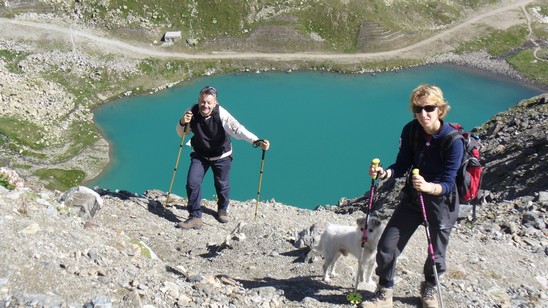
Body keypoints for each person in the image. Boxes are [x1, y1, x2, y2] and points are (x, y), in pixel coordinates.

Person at [361, 84, 463, 308]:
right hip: (413, 198)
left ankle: (429, 288)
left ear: (440, 110)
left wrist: (428, 187)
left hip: (441, 204)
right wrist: (385, 173)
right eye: (418, 109)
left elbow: (448, 183)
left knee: (436, 254)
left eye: (429, 108)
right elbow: (402, 164)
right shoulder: (411, 130)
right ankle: (384, 293)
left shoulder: (454, 141)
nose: (423, 114)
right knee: (387, 246)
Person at [175, 86, 270, 230]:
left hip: (221, 155)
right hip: (200, 154)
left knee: (222, 184)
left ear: (215, 103)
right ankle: (195, 216)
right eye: (202, 102)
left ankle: (222, 209)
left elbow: (238, 129)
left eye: (209, 102)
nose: (205, 105)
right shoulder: (191, 112)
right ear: (198, 101)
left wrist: (256, 141)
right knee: (192, 183)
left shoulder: (222, 114)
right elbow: (182, 133)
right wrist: (182, 122)